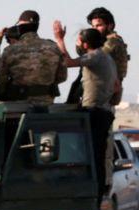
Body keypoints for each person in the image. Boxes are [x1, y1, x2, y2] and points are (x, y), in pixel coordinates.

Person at [54, 22, 119, 198]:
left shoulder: (95, 56)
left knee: (85, 153)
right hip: (103, 111)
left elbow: (67, 62)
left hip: (93, 113)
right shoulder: (107, 58)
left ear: (85, 44)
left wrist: (59, 40)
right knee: (97, 155)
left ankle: (89, 194)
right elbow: (117, 86)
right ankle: (97, 194)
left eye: (79, 41)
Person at [0, 12, 67, 104]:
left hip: (18, 102)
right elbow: (62, 77)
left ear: (19, 28)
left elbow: (1, 80)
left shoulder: (9, 50)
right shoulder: (53, 47)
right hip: (46, 102)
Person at [67, 8, 128, 106]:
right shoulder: (101, 41)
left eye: (99, 25)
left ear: (110, 25)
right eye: (93, 26)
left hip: (105, 90)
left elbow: (95, 56)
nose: (95, 29)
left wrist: (83, 44)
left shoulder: (113, 42)